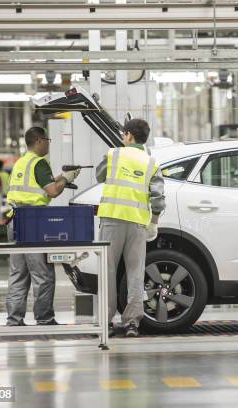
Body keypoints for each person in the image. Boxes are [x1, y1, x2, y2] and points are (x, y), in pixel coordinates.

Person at [96, 118, 165, 338]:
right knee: (135, 274)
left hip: (111, 220)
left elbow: (100, 176)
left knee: (107, 272)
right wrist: (153, 222)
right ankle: (132, 323)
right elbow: (158, 197)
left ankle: (105, 322)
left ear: (128, 136)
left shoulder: (113, 154)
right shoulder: (151, 163)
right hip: (137, 223)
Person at [5, 127, 81, 326]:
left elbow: (41, 186)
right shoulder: (39, 163)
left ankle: (14, 319)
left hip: (14, 219)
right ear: (39, 141)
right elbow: (53, 191)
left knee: (18, 273)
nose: (49, 143)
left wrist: (61, 177)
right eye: (47, 139)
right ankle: (45, 318)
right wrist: (66, 179)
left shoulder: (21, 163)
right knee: (43, 274)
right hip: (32, 222)